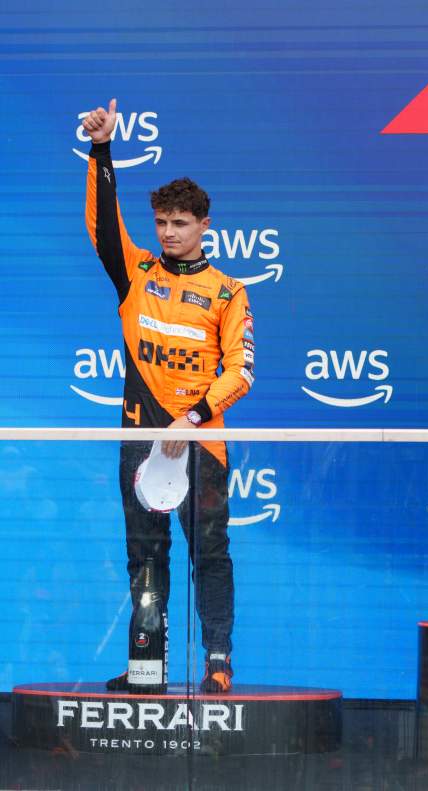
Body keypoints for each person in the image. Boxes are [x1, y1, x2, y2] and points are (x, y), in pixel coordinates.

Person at [81, 99, 254, 693]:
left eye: (180, 223)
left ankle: (218, 662)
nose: (169, 233)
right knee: (144, 556)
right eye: (162, 222)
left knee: (210, 552)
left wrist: (193, 417)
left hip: (201, 442)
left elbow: (241, 371)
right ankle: (147, 669)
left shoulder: (229, 293)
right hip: (137, 440)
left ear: (205, 226)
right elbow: (104, 228)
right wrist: (101, 151)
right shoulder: (137, 276)